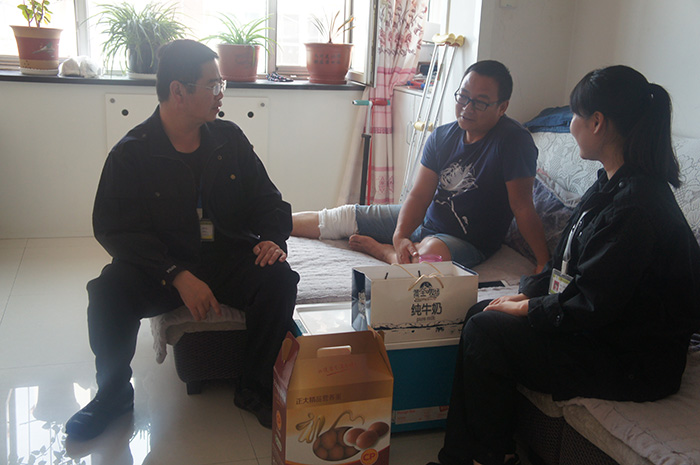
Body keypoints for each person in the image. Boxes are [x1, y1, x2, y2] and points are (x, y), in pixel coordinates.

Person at [427, 65, 700, 465]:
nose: (571, 125)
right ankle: (464, 455)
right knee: (481, 313)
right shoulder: (611, 184)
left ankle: (487, 457)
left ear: (597, 122)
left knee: (487, 331)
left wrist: (529, 308)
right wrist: (528, 294)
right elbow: (568, 268)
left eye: (574, 115)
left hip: (632, 360)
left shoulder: (636, 208)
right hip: (605, 333)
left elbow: (592, 303)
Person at [65, 39, 299, 439]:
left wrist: (273, 238)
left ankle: (255, 385)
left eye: (221, 84)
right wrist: (175, 273)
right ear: (178, 91)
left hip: (227, 257)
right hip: (163, 266)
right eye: (212, 85)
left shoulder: (230, 140)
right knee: (107, 290)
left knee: (279, 278)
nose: (221, 93)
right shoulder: (131, 154)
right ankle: (113, 394)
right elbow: (113, 230)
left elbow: (269, 200)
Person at [293, 60, 550, 272]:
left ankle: (385, 254)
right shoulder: (442, 136)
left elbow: (522, 207)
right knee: (343, 216)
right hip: (426, 220)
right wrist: (400, 235)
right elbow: (419, 196)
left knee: (429, 258)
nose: (467, 108)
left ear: (502, 107)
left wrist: (543, 262)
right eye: (463, 96)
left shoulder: (514, 142)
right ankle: (273, 222)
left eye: (480, 102)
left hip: (465, 241)